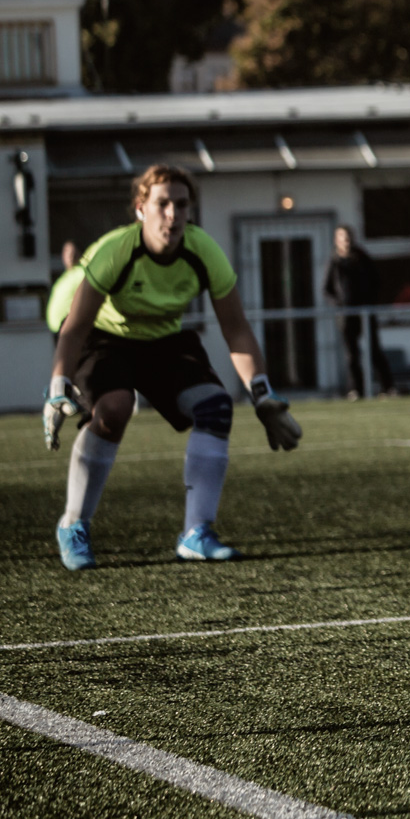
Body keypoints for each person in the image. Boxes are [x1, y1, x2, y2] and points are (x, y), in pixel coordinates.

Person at [43, 165, 303, 569]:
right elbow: (74, 327)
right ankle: (73, 524)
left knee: (216, 405)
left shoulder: (204, 251)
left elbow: (236, 328)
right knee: (114, 409)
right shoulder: (115, 250)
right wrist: (58, 383)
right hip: (105, 338)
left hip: (164, 341)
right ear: (140, 209)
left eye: (181, 204)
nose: (172, 214)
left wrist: (263, 393)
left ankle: (196, 533)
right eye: (162, 203)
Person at [323, 225, 393, 400]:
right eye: (342, 237)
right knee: (352, 355)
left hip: (365, 312)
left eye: (348, 237)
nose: (345, 241)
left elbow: (376, 281)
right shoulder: (334, 261)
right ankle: (356, 390)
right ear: (336, 240)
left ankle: (388, 388)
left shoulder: (362, 257)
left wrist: (369, 302)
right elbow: (326, 290)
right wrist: (339, 304)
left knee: (374, 350)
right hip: (346, 316)